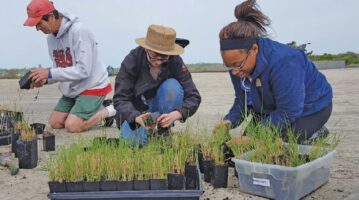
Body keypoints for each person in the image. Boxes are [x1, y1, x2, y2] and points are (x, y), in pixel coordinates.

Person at [213, 0, 333, 144]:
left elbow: (289, 110)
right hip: (270, 107)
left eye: (237, 65)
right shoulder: (237, 66)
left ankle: (315, 132)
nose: (234, 72)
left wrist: (255, 139)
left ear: (254, 49)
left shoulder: (286, 61)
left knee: (276, 147)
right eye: (228, 66)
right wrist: (229, 121)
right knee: (240, 150)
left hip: (309, 108)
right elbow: (242, 100)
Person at [24, 0, 116, 133]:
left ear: (51, 17)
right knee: (55, 123)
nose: (37, 28)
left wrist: (49, 73)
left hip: (93, 86)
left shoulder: (79, 31)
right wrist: (44, 79)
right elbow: (60, 68)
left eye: (39, 23)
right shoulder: (51, 38)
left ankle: (109, 110)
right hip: (73, 89)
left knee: (72, 126)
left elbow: (84, 71)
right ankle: (96, 108)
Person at [113, 24, 201, 146]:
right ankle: (147, 133)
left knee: (173, 87)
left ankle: (162, 129)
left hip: (161, 109)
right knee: (132, 142)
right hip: (136, 111)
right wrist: (137, 117)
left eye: (164, 57)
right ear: (146, 48)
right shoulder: (132, 60)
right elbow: (120, 99)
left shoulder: (175, 60)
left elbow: (194, 96)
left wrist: (177, 114)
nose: (159, 62)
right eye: (154, 56)